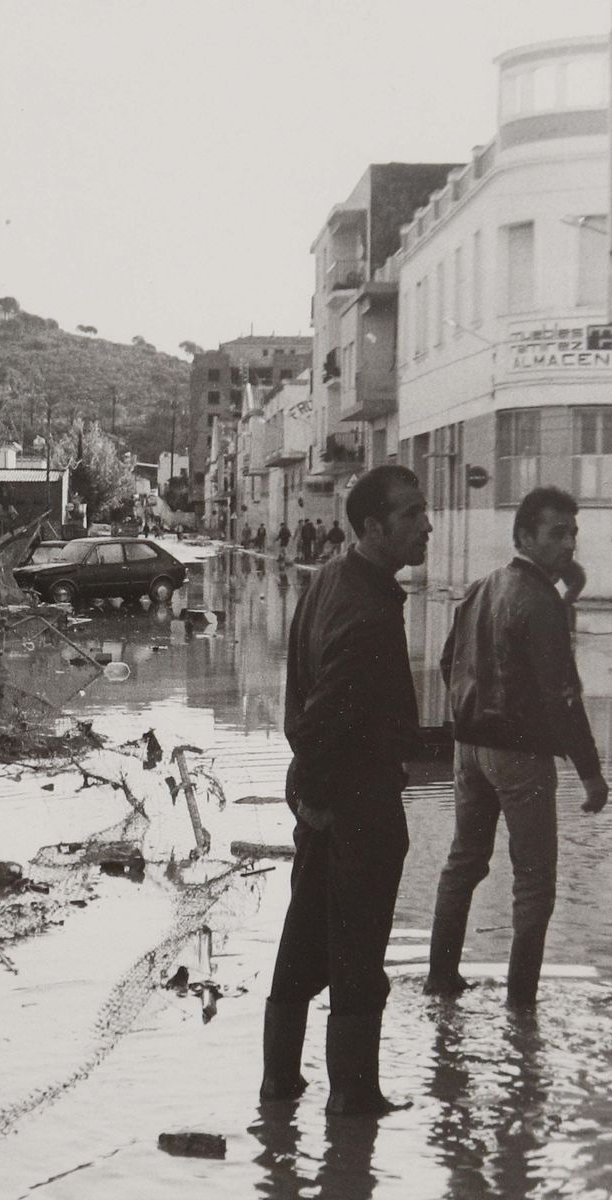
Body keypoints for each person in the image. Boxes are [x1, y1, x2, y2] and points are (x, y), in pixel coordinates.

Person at [260, 463, 431, 1116]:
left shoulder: (332, 579)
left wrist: (306, 790)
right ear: (374, 527)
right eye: (413, 514)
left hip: (321, 798)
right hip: (357, 804)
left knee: (304, 943)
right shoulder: (367, 610)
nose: (427, 524)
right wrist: (328, 795)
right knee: (359, 956)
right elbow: (330, 711)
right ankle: (354, 1099)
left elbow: (301, 700)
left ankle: (281, 1086)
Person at [424, 486, 609, 1011]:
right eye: (557, 533)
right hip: (521, 755)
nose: (569, 544)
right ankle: (521, 1008)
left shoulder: (483, 587)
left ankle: (441, 981)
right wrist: (591, 775)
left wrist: (469, 713)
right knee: (534, 883)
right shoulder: (539, 601)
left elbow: (446, 662)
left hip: (469, 750)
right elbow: (563, 698)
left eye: (573, 533)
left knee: (463, 863)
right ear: (525, 535)